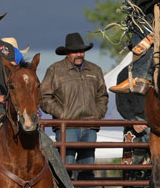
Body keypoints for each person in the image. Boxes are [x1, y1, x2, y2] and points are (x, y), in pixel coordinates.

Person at [0, 1, 74, 187]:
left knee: (47, 145)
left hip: (10, 113)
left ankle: (65, 185)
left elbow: (24, 76)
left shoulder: (9, 51)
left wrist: (29, 103)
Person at [41, 32, 109, 184]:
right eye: (75, 51)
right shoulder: (55, 70)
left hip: (90, 126)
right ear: (67, 53)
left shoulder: (95, 70)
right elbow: (43, 97)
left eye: (81, 51)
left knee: (87, 169)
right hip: (67, 127)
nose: (79, 54)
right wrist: (62, 114)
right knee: (64, 169)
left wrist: (97, 113)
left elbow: (103, 95)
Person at [115, 66, 151, 187]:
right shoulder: (125, 73)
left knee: (157, 168)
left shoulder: (159, 70)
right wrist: (133, 120)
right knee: (132, 169)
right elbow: (121, 101)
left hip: (155, 123)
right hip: (136, 124)